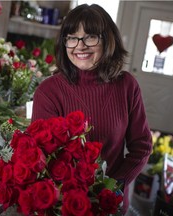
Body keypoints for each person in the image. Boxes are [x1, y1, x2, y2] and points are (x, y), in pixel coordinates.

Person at [31, 3, 152, 215]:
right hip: (62, 203)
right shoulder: (49, 91)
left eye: (90, 37)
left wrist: (112, 188)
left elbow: (141, 146)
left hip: (109, 203)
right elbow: (41, 156)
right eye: (72, 37)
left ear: (108, 40)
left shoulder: (127, 85)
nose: (80, 45)